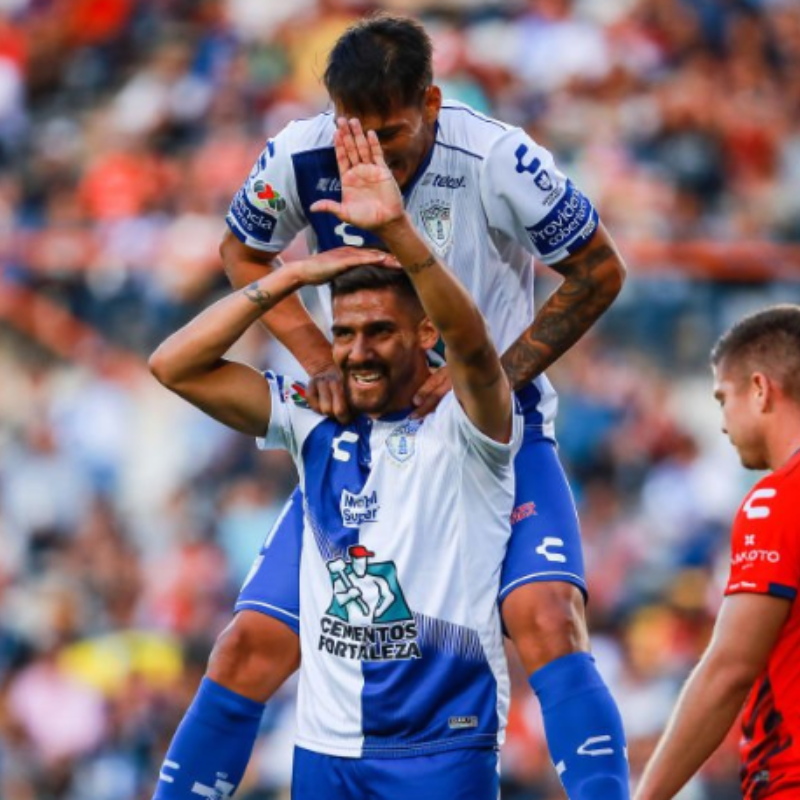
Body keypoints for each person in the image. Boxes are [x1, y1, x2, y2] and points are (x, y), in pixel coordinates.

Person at [152, 12, 630, 800]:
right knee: (247, 646)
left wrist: (496, 378)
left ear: (433, 104)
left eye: (394, 132)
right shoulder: (301, 154)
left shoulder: (499, 159)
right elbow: (242, 249)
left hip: (485, 434)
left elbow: (599, 271)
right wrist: (320, 360)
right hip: (358, 430)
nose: (374, 151)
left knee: (547, 618)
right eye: (355, 131)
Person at [150, 117, 523, 799]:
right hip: (327, 750)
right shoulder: (311, 417)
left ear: (423, 335)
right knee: (238, 649)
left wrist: (404, 239)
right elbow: (174, 365)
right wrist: (295, 278)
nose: (356, 351)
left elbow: (474, 347)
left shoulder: (469, 426)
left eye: (379, 331)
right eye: (344, 332)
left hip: (439, 750)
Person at [635, 305, 800, 800]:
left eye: (722, 398)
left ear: (759, 388)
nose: (722, 422)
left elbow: (729, 669)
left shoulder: (778, 500)